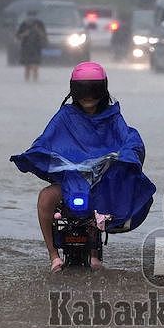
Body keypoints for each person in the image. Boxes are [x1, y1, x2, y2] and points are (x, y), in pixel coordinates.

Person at [10, 62, 156, 272]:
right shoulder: (65, 116)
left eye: (93, 90)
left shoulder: (113, 118)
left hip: (100, 182)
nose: (88, 96)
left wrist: (128, 153)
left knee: (102, 201)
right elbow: (46, 139)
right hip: (69, 181)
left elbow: (129, 139)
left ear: (103, 90)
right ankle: (53, 255)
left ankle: (95, 253)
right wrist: (36, 153)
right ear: (74, 91)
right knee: (45, 198)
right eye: (83, 91)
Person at [16, 12, 47, 82]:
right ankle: (27, 81)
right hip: (26, 48)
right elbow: (17, 36)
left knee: (35, 67)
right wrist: (24, 34)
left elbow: (44, 36)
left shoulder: (40, 24)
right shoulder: (24, 24)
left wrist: (38, 30)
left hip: (36, 47)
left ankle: (35, 81)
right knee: (27, 67)